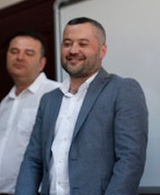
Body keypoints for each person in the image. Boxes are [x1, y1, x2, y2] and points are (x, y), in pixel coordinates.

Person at [15, 17, 149, 195]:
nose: (73, 50)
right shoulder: (49, 100)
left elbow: (130, 159)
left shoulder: (122, 90)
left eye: (83, 44)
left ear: (102, 51)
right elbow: (33, 160)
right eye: (67, 43)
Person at [0, 30, 61, 194]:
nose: (19, 57)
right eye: (14, 52)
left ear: (42, 63)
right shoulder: (5, 102)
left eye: (29, 53)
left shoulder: (55, 95)